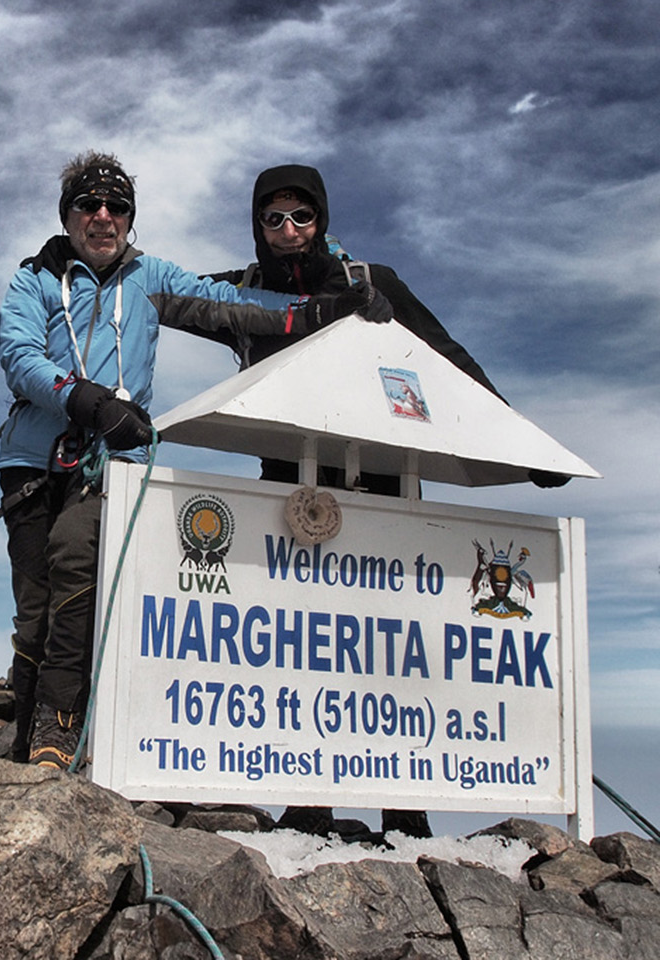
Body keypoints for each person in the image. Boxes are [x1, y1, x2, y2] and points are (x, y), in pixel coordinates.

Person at [0, 152, 391, 770]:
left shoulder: (148, 276)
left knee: (76, 563)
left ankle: (60, 726)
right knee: (35, 603)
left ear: (130, 218)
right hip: (32, 463)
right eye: (88, 205)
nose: (103, 217)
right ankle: (25, 737)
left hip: (110, 460)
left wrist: (321, 310)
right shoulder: (35, 280)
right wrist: (85, 399)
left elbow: (227, 302)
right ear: (67, 216)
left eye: (117, 206)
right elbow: (19, 356)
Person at [202, 163, 556, 839]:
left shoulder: (371, 282)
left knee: (391, 639)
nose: (287, 230)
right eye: (272, 219)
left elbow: (448, 356)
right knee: (296, 642)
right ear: (257, 227)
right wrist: (73, 263)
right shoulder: (242, 294)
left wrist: (522, 443)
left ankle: (404, 805)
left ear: (322, 219)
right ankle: (306, 800)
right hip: (290, 492)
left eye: (301, 216)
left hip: (383, 486)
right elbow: (158, 291)